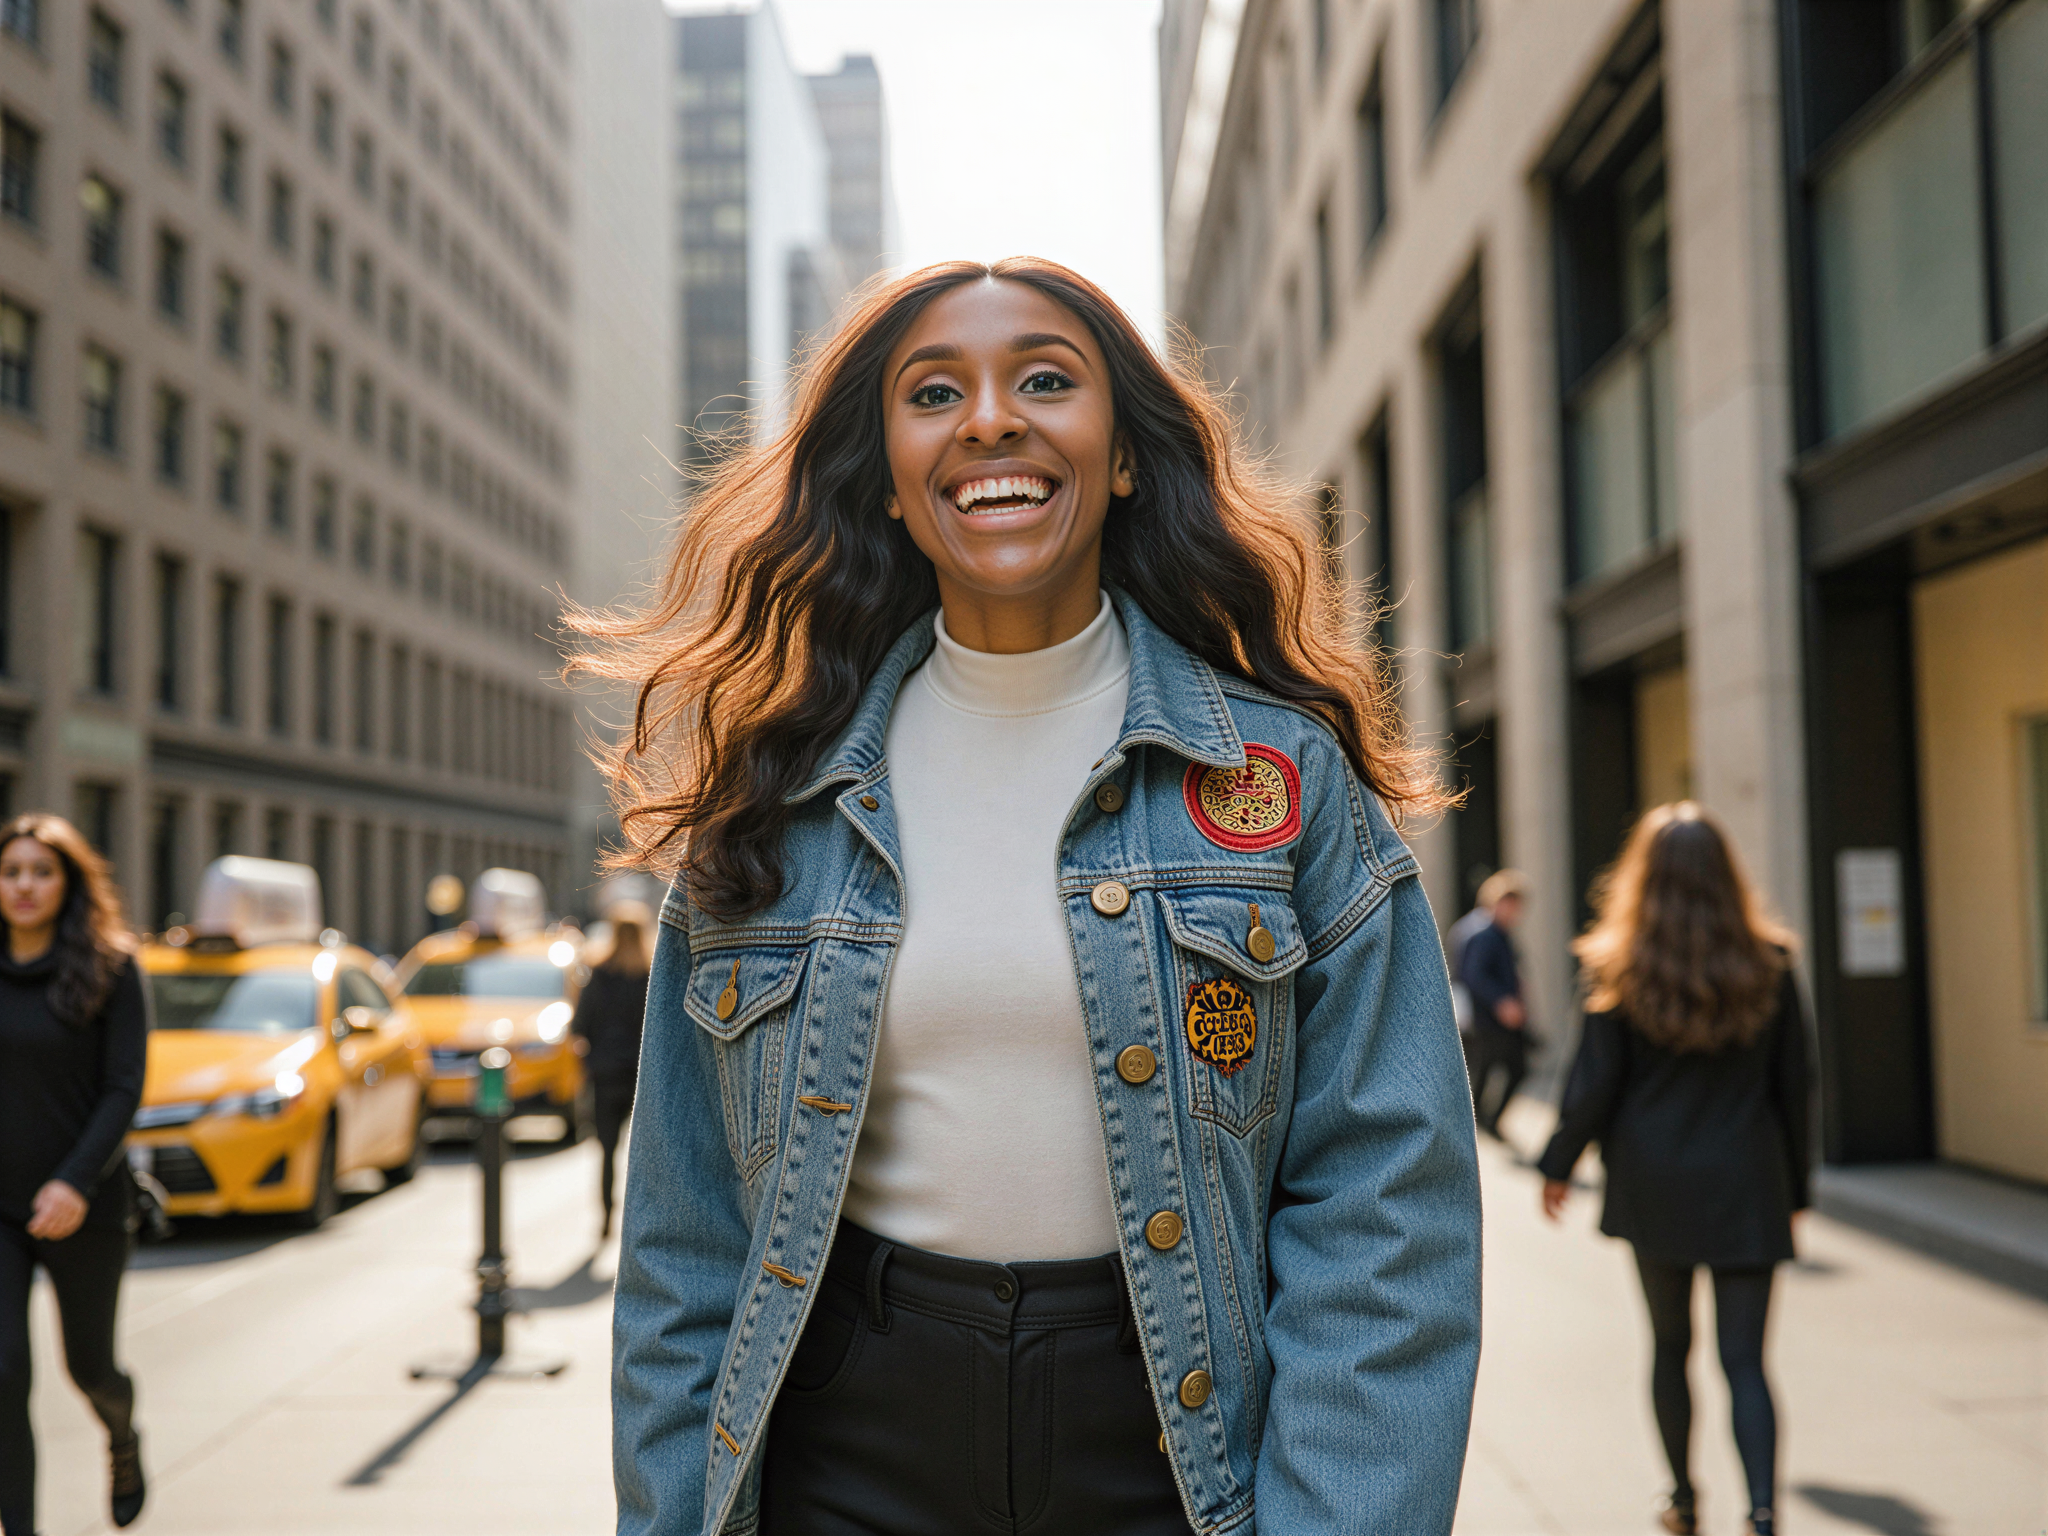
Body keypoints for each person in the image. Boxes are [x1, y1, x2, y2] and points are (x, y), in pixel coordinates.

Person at [579, 258, 1482, 1536]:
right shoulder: (767, 800)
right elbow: (686, 1243)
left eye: (1045, 380)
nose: (990, 418)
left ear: (1119, 457)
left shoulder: (1281, 780)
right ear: (888, 480)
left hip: (1178, 1453)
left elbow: (1387, 1212)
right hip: (842, 1444)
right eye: (933, 391)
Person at [1536, 802, 1811, 1536]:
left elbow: (1593, 1085)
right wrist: (1798, 1192)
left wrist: (1557, 1164)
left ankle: (1684, 1502)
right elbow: (1797, 1088)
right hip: (1749, 1182)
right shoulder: (1773, 963)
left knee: (1669, 1348)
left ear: (1643, 879)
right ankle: (1762, 1513)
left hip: (1654, 1184)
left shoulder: (1616, 966)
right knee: (1746, 1362)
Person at [0, 814, 149, 1534]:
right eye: (12, 871)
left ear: (70, 883)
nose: (25, 885)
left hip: (83, 1204)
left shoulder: (112, 967)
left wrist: (73, 1182)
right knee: (0, 1379)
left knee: (90, 1371)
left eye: (42, 871)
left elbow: (124, 1086)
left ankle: (122, 1437)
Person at [572, 901, 652, 1239]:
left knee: (606, 1151)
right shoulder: (650, 976)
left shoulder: (599, 974)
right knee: (645, 1154)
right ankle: (640, 1224)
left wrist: (589, 1061)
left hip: (605, 1074)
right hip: (642, 1075)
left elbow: (580, 1026)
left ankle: (606, 1217)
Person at [1456, 868, 1532, 1138]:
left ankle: (1482, 1120)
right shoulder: (1483, 933)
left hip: (1492, 1017)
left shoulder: (1495, 933)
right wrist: (1502, 1002)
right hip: (1487, 1018)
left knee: (1488, 1069)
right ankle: (1483, 1120)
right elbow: (1473, 976)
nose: (1515, 912)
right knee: (1507, 1068)